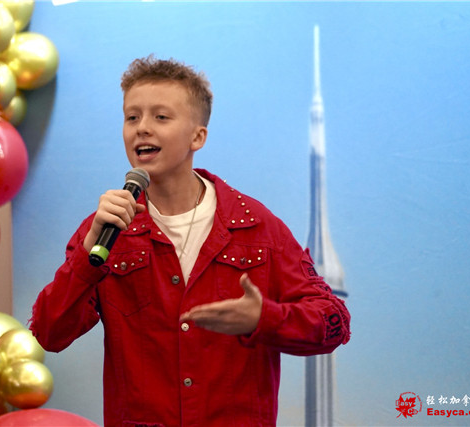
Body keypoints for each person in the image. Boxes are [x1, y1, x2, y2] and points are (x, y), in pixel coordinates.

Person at [29, 55, 350, 427]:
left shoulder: (256, 226)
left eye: (161, 117)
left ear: (198, 136)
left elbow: (334, 323)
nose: (142, 129)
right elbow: (49, 333)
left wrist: (263, 319)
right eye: (132, 117)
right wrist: (87, 255)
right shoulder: (106, 229)